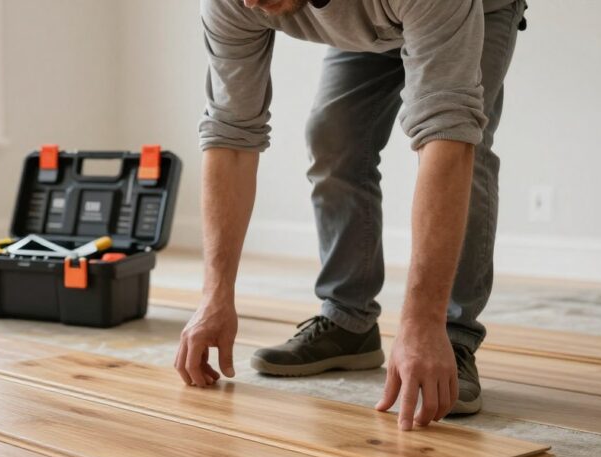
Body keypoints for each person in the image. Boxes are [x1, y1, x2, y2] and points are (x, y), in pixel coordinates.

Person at [174, 0, 527, 430]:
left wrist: (422, 322)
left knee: (467, 140)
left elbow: (447, 140)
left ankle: (450, 338)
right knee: (333, 138)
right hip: (368, 19)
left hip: (470, 10)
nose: (249, 1)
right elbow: (230, 135)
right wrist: (214, 297)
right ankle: (348, 320)